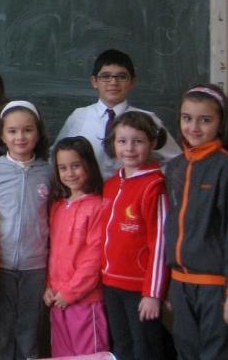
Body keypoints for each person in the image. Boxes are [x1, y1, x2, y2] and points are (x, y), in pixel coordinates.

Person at [165, 84, 228, 357]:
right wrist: (171, 286)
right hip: (181, 284)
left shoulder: (226, 167)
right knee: (186, 351)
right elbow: (171, 228)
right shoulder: (175, 167)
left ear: (221, 124)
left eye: (205, 120)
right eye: (187, 118)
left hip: (216, 287)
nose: (194, 127)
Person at [0, 100, 53, 360]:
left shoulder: (49, 171)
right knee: (0, 331)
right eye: (12, 131)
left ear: (38, 132)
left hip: (36, 266)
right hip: (0, 265)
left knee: (29, 330)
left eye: (27, 130)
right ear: (2, 135)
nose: (20, 137)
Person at [101, 111, 169, 360]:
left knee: (145, 348)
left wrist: (152, 293)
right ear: (113, 144)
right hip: (110, 284)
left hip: (139, 289)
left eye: (138, 141)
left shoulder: (154, 185)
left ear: (152, 143)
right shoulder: (110, 184)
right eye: (122, 141)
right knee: (122, 345)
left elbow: (160, 241)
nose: (129, 148)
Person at [55, 49, 182, 179]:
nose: (113, 82)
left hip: (132, 195)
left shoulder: (148, 119)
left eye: (122, 76)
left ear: (132, 82)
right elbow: (57, 156)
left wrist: (149, 180)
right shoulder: (79, 116)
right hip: (87, 195)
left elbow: (176, 161)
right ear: (94, 81)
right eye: (105, 76)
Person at [45, 137, 109, 356]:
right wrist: (49, 287)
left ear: (89, 165)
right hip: (57, 298)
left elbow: (94, 258)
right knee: (62, 355)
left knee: (89, 355)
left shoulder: (98, 206)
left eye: (76, 166)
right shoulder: (58, 206)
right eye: (63, 168)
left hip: (85, 301)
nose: (69, 173)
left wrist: (71, 292)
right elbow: (52, 253)